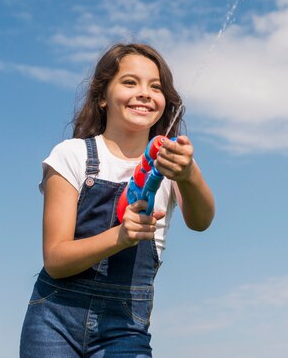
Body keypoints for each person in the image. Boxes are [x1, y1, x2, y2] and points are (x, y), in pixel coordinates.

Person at [19, 43, 215, 357]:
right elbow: (55, 260)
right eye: (129, 82)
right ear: (101, 97)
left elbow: (202, 221)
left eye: (156, 86)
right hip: (54, 319)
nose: (145, 93)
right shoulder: (72, 155)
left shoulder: (172, 161)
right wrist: (119, 237)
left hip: (125, 328)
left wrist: (188, 172)